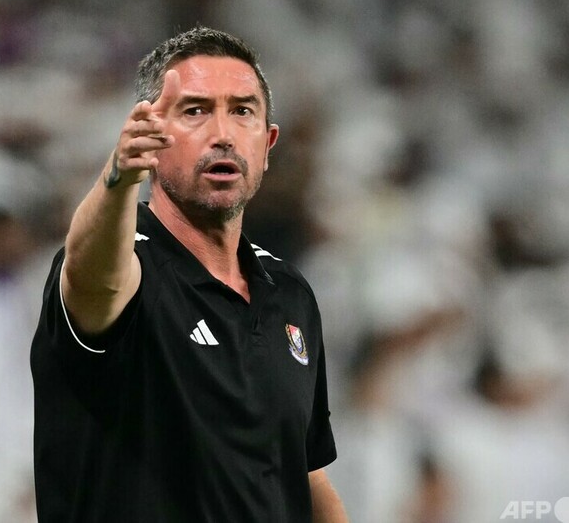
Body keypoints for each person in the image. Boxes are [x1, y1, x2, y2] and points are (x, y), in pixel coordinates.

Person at [30, 27, 348, 522]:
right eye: (195, 111)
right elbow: (94, 277)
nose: (222, 134)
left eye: (242, 111)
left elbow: (303, 472)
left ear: (267, 144)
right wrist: (119, 177)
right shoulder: (128, 265)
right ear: (152, 138)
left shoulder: (290, 293)